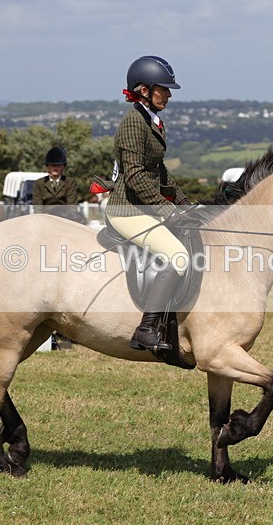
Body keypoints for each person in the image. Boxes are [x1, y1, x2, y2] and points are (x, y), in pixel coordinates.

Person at [105, 55, 190, 354]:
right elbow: (135, 175)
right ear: (144, 90)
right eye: (163, 89)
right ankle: (146, 328)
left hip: (145, 206)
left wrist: (183, 203)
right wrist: (167, 210)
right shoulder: (132, 122)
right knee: (178, 256)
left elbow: (158, 172)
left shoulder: (151, 120)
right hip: (126, 210)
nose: (168, 94)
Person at [33, 147, 79, 220]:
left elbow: (72, 206)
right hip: (46, 219)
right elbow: (38, 207)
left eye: (58, 165)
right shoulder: (39, 183)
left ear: (63, 167)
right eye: (53, 165)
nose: (55, 168)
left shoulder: (69, 182)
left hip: (64, 219)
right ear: (47, 166)